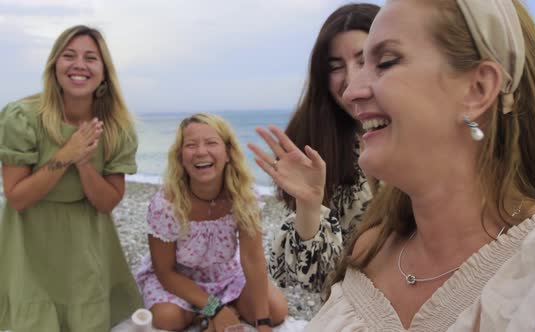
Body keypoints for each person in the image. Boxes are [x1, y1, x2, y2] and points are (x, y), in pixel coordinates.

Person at [254, 0, 535, 330]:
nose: (351, 87)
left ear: (478, 88)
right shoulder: (370, 248)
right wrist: (309, 207)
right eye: (336, 66)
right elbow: (303, 278)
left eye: (384, 62)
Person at [0, 25, 142, 331]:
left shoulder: (117, 128)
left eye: (91, 58)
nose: (79, 65)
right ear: (54, 66)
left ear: (104, 72)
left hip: (86, 241)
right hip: (28, 239)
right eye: (69, 56)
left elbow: (106, 203)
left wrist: (84, 163)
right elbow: (17, 197)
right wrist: (66, 154)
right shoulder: (22, 117)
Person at [248, 3, 380, 294]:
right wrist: (309, 206)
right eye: (335, 67)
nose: (350, 78)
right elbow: (315, 278)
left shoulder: (424, 135)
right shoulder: (317, 144)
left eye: (365, 60)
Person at [134, 113, 288, 332]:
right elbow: (165, 271)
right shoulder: (166, 204)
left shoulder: (245, 196)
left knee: (276, 310)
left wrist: (263, 323)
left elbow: (252, 259)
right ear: (180, 156)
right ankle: (212, 314)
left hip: (226, 274)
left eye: (211, 143)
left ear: (228, 153)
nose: (201, 152)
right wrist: (214, 308)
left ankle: (216, 313)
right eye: (191, 145)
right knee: (166, 318)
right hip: (180, 279)